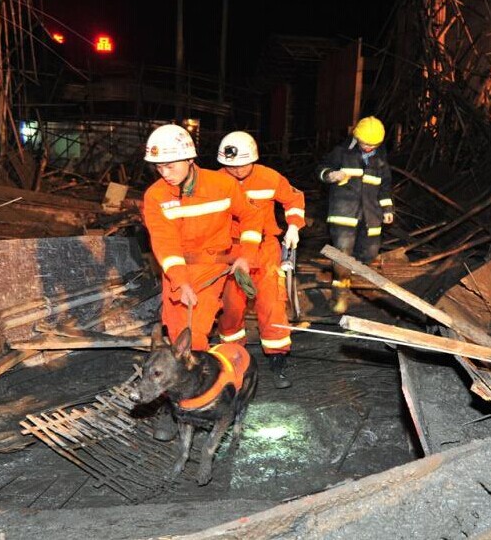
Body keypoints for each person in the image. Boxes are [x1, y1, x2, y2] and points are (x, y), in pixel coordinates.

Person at [141, 124, 264, 438]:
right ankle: (174, 404)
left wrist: (245, 254)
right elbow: (165, 245)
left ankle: (214, 393)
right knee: (180, 334)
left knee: (210, 329)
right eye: (158, 166)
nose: (163, 172)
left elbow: (252, 216)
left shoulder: (221, 185)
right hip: (180, 270)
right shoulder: (155, 196)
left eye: (170, 165)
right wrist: (180, 282)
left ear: (189, 160)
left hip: (217, 265)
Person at [215, 131, 305, 389]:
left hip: (265, 248)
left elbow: (293, 199)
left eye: (243, 164)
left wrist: (294, 226)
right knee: (231, 305)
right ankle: (233, 356)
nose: (238, 170)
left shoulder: (269, 177)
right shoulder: (215, 181)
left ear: (253, 159)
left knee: (272, 302)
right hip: (231, 250)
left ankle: (277, 357)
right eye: (231, 166)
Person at [316, 116, 394, 313]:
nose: (368, 147)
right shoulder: (341, 153)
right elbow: (320, 169)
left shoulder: (381, 161)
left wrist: (387, 209)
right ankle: (340, 295)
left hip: (371, 216)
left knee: (370, 253)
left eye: (373, 144)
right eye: (364, 142)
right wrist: (330, 175)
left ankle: (347, 274)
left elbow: (385, 188)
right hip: (343, 213)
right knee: (343, 254)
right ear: (356, 137)